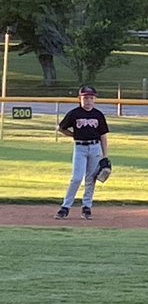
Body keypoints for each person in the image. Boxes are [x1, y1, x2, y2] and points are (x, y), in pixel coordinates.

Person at [54, 85, 110, 221]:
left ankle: (87, 207)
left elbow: (103, 136)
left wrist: (105, 156)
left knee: (91, 179)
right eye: (85, 98)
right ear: (80, 99)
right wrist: (74, 135)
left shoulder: (98, 115)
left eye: (91, 98)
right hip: (80, 148)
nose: (88, 100)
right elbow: (60, 128)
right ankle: (65, 207)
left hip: (95, 148)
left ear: (95, 99)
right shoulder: (74, 113)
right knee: (77, 178)